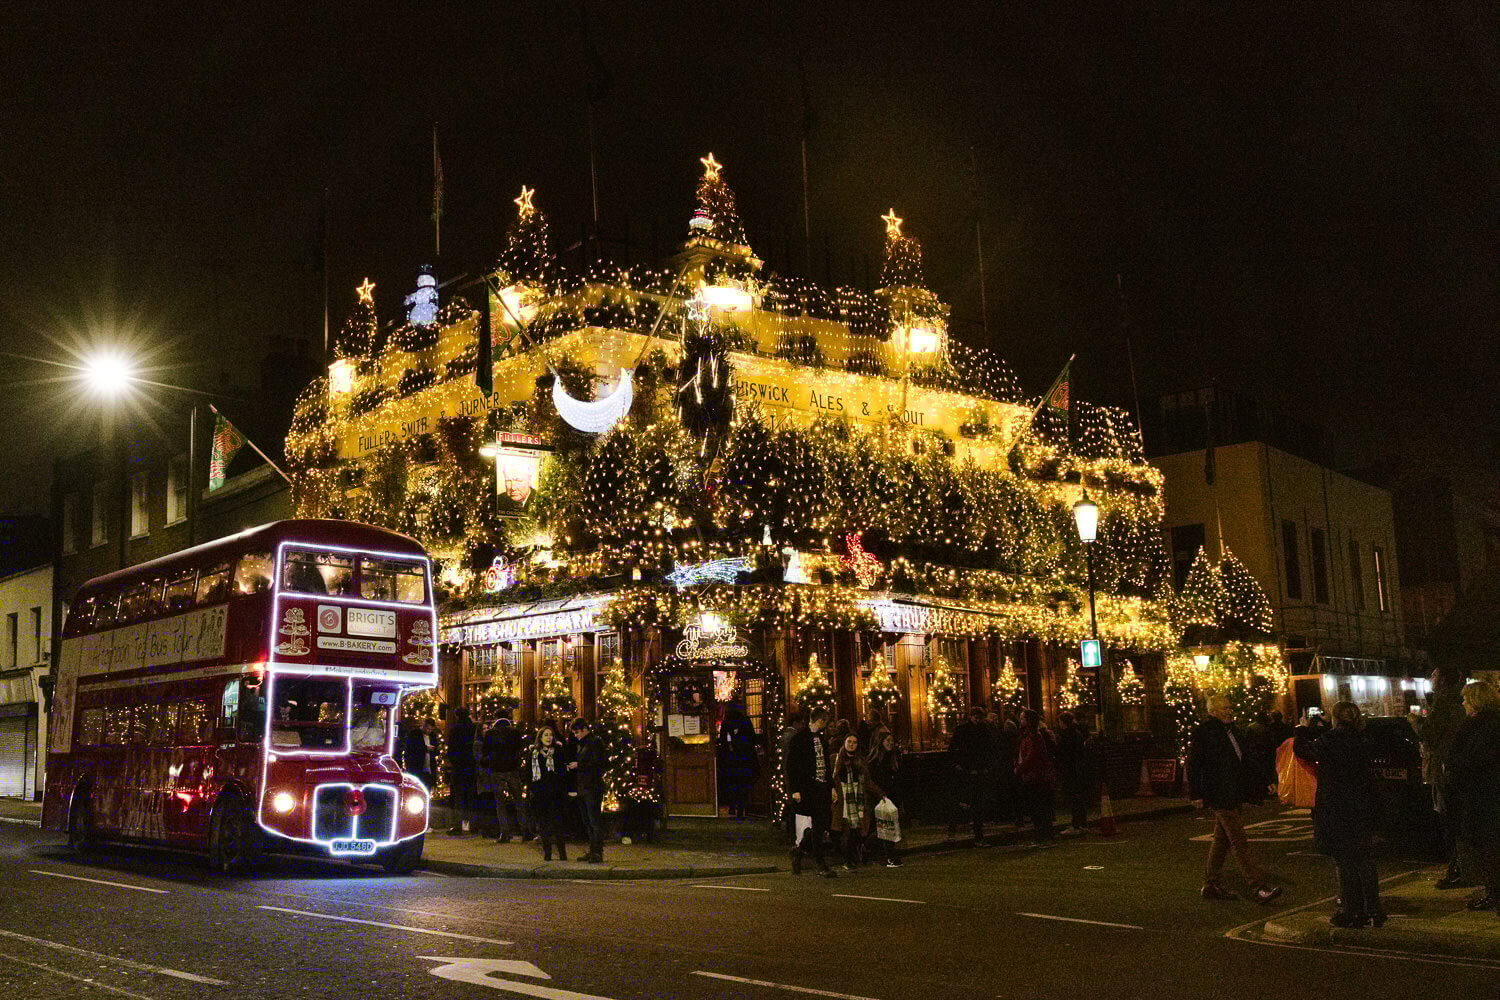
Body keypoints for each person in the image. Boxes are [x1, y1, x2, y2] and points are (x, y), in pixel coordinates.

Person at [1189, 695, 1283, 903]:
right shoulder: (1205, 732)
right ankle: (1258, 887)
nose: (1229, 711)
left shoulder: (1233, 731)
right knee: (1239, 841)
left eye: (1230, 707)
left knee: (1221, 841)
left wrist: (1265, 780)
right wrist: (1196, 793)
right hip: (1219, 793)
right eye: (1224, 708)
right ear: (1212, 711)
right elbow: (1194, 763)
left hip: (1234, 791)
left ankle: (1211, 884)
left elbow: (1247, 758)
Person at [1301, 701, 1384, 927]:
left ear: (1335, 718)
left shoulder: (1330, 740)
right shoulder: (1363, 739)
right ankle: (1373, 909)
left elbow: (1304, 750)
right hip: (1362, 803)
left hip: (1336, 805)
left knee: (1344, 859)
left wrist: (1303, 729)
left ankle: (1351, 910)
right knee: (1364, 858)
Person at [1447, 680, 1500, 916]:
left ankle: (1495, 893)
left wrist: (1455, 766)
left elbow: (1475, 761)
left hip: (1486, 798)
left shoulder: (1485, 728)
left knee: (1490, 849)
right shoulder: (1483, 726)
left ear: (1476, 701)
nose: (1463, 704)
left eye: (1466, 699)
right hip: (1483, 797)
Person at [1421, 667, 1475, 890]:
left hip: (1445, 772)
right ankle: (1463, 869)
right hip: (1455, 771)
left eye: (1434, 676)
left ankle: (1457, 870)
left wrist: (1415, 721)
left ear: (1443, 680)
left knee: (1450, 824)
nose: (1431, 679)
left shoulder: (1443, 703)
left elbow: (1428, 733)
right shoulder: (1454, 703)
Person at [787, 708, 836, 877]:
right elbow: (792, 765)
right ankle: (820, 863)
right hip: (810, 787)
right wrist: (795, 790)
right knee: (819, 824)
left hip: (822, 787)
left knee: (822, 824)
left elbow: (826, 765)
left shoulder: (821, 739)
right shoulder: (800, 739)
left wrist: (831, 786)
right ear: (819, 721)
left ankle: (800, 851)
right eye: (824, 722)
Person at [832, 733, 885, 871]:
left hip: (858, 797)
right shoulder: (836, 759)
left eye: (854, 742)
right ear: (844, 743)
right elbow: (832, 778)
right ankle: (847, 859)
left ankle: (855, 853)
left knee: (858, 830)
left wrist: (880, 794)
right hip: (843, 798)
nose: (851, 744)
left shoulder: (861, 760)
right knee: (846, 830)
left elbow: (867, 780)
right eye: (849, 741)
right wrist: (832, 790)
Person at [949, 706, 995, 846]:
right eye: (976, 717)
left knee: (976, 803)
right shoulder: (964, 730)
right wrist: (959, 764)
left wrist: (985, 767)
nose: (977, 720)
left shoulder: (983, 730)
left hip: (976, 770)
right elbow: (955, 749)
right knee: (966, 801)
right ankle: (956, 830)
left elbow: (989, 750)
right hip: (967, 770)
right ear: (971, 716)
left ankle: (976, 835)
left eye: (979, 717)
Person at [526, 724, 570, 861]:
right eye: (545, 735)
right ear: (540, 738)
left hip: (556, 793)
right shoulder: (534, 753)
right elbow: (528, 773)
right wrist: (531, 789)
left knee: (558, 823)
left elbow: (563, 771)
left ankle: (562, 852)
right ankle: (547, 852)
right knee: (543, 824)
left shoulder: (558, 751)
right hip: (540, 793)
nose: (549, 737)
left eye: (550, 735)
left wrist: (563, 788)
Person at [483, 715, 529, 843]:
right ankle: (525, 830)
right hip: (512, 769)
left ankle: (504, 833)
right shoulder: (515, 732)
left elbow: (485, 751)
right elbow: (519, 749)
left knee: (500, 803)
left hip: (497, 770)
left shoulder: (490, 734)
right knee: (519, 800)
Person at [1015, 709, 1057, 847]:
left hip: (1037, 777)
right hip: (1031, 776)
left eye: (1023, 718)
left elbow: (1032, 756)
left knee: (1040, 808)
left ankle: (1045, 837)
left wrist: (1020, 767)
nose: (1020, 720)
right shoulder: (1027, 735)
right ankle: (1040, 837)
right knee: (1036, 808)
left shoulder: (1034, 736)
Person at [569, 718, 606, 863]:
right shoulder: (584, 743)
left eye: (577, 732)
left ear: (585, 729)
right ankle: (593, 850)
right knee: (587, 821)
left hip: (592, 786)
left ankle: (597, 851)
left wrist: (579, 765)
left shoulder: (595, 742)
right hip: (584, 787)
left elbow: (598, 763)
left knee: (594, 820)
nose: (576, 736)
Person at [866, 727, 904, 867]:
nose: (890, 743)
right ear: (881, 742)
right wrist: (879, 793)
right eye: (887, 740)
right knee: (885, 826)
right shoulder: (875, 760)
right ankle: (889, 856)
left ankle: (871, 848)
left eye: (891, 740)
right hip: (880, 796)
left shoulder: (893, 758)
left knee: (887, 826)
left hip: (892, 796)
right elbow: (871, 779)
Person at [718, 705, 758, 820]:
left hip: (731, 758)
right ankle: (742, 808)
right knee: (743, 783)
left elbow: (722, 740)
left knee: (732, 783)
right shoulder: (745, 721)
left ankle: (732, 806)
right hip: (745, 757)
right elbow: (752, 737)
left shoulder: (726, 723)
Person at [1055, 712, 1092, 836]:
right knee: (1079, 798)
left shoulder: (1067, 735)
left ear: (1063, 722)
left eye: (1060, 722)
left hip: (1071, 770)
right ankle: (1082, 824)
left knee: (1074, 798)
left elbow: (1063, 753)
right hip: (1078, 769)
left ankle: (1076, 825)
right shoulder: (1077, 733)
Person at [446, 707, 477, 835]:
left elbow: (451, 749)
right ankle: (473, 825)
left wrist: (452, 762)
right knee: (471, 795)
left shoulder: (455, 729)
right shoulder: (473, 728)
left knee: (458, 796)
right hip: (472, 766)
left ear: (457, 716)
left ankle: (457, 825)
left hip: (459, 767)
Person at [776, 711, 806, 842]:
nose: (802, 726)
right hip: (791, 772)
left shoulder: (785, 735)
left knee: (790, 800)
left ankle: (789, 828)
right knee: (793, 802)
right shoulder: (793, 736)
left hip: (787, 771)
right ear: (795, 723)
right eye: (801, 723)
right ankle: (792, 830)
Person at [402, 718, 436, 790]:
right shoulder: (414, 734)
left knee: (427, 788)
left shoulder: (432, 736)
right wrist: (425, 748)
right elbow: (411, 748)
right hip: (417, 767)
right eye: (428, 728)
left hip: (428, 769)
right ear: (423, 725)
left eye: (431, 729)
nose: (429, 731)